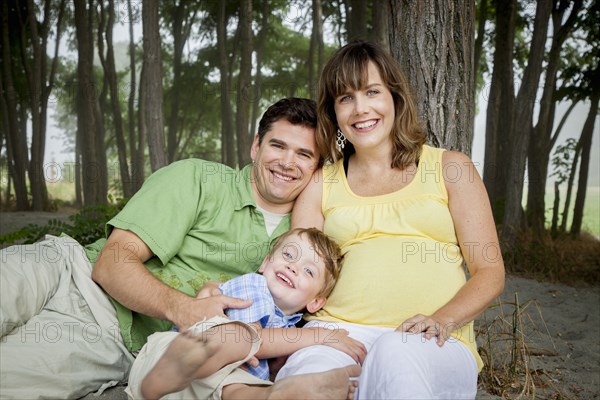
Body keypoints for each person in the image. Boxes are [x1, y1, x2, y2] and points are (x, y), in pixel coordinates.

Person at [0, 98, 359, 399]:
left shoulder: (300, 245)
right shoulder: (198, 179)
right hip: (64, 269)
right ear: (256, 146)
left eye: (303, 154)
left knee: (10, 381)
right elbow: (112, 263)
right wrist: (187, 309)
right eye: (277, 146)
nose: (286, 162)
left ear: (316, 168)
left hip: (110, 334)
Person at [277, 41, 506, 399]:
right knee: (310, 378)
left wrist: (442, 320)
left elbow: (490, 272)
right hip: (337, 334)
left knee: (395, 352)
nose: (360, 108)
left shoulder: (451, 168)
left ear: (395, 98)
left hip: (431, 339)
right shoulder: (322, 183)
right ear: (334, 113)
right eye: (345, 98)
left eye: (372, 92)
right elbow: (296, 271)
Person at [129, 227, 366, 399]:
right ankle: (179, 364)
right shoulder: (254, 286)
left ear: (315, 303)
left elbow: (263, 358)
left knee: (242, 390)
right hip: (167, 356)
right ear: (265, 263)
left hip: (204, 387)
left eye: (308, 271)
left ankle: (277, 395)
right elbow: (259, 341)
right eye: (288, 255)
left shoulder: (288, 327)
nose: (293, 267)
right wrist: (322, 335)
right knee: (241, 337)